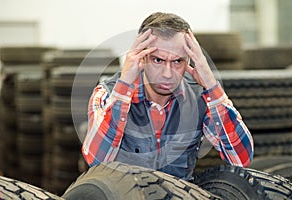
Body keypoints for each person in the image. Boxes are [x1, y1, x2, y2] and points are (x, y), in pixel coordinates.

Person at [82, 12, 254, 181]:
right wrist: (124, 88)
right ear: (141, 57)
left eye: (177, 61)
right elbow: (96, 161)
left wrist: (211, 85)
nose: (167, 74)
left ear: (189, 61)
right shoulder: (107, 94)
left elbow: (240, 159)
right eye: (158, 60)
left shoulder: (200, 96)